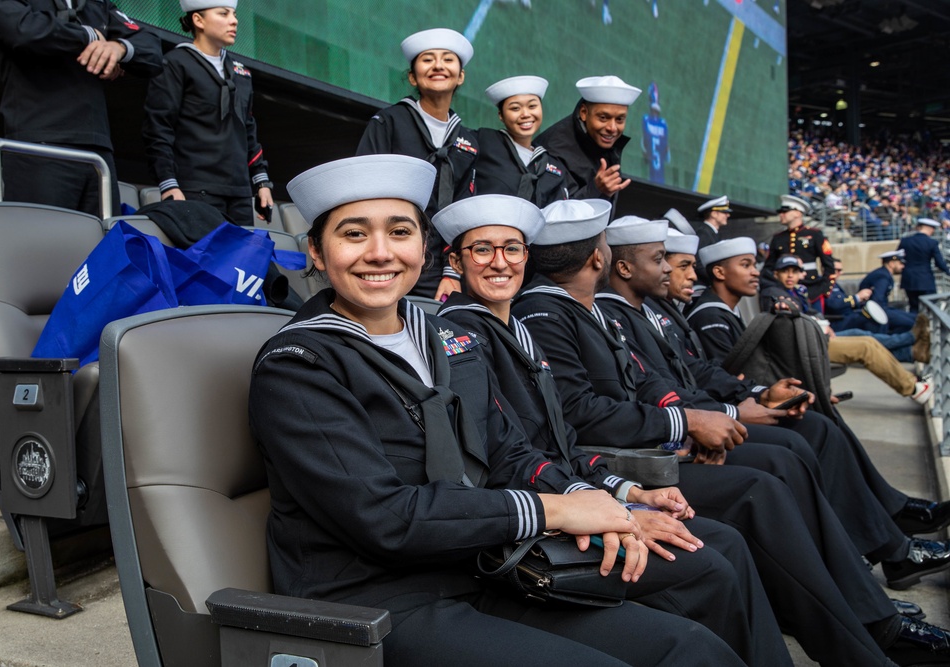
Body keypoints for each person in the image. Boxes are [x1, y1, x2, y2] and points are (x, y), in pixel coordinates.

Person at [249, 154, 745, 667]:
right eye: (354, 234)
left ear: (423, 248)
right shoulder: (299, 364)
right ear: (315, 250)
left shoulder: (442, 336)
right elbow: (384, 518)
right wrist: (554, 510)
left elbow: (505, 448)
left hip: (485, 563)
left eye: (399, 232)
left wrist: (596, 503)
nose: (380, 253)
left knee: (689, 646)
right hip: (379, 601)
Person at [510, 201, 950, 665]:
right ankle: (865, 624)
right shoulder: (546, 312)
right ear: (601, 258)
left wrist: (726, 409)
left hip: (645, 452)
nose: (670, 270)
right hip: (625, 463)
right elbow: (581, 412)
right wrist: (689, 426)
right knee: (765, 483)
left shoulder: (586, 310)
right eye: (662, 259)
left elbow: (650, 380)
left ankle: (863, 608)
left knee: (790, 452)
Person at [433, 194, 789, 665]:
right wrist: (606, 506)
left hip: (573, 494)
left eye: (512, 248)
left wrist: (629, 491)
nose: (500, 262)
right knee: (708, 563)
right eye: (482, 250)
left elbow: (561, 441)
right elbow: (507, 457)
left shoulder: (513, 325)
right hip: (536, 519)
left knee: (718, 545)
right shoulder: (459, 335)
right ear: (454, 261)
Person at [598, 219, 950, 592]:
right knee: (790, 451)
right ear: (621, 267)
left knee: (814, 426)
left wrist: (760, 394)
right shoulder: (660, 314)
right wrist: (725, 414)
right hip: (670, 443)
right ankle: (863, 562)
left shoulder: (649, 311)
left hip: (698, 419)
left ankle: (884, 532)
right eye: (671, 262)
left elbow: (692, 374)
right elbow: (657, 389)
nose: (678, 272)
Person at [0, 0, 162, 216]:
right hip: (39, 146)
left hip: (98, 152)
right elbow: (25, 31)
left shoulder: (96, 4)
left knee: (103, 245)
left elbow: (152, 49)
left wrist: (118, 48)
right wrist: (89, 36)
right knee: (43, 242)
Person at [689, 243, 933, 406]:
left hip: (812, 341)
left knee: (867, 340)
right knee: (867, 345)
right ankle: (913, 368)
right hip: (801, 348)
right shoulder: (771, 293)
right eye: (746, 265)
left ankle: (913, 356)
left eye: (795, 270)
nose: (754, 272)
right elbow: (727, 372)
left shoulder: (793, 291)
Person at [356, 28, 478, 301]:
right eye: (427, 59)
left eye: (448, 59)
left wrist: (452, 272)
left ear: (460, 75)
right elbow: (364, 191)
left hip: (445, 269)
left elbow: (463, 212)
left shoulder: (467, 141)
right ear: (412, 76)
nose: (438, 65)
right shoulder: (388, 122)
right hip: (391, 256)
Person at [141, 0, 273, 226]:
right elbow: (158, 127)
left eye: (234, 14)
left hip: (239, 192)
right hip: (195, 188)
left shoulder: (240, 72)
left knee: (239, 261)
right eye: (223, 14)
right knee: (200, 260)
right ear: (198, 20)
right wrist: (169, 183)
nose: (234, 20)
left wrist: (261, 182)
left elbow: (248, 130)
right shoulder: (176, 63)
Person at [535, 75, 640, 217]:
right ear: (584, 113)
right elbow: (552, 216)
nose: (612, 128)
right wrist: (596, 189)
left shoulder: (602, 142)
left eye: (620, 119)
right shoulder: (554, 149)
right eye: (603, 118)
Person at [474, 76, 568, 206]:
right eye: (515, 108)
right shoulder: (484, 141)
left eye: (532, 106)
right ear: (501, 115)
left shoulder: (554, 168)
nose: (525, 114)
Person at [825, 258, 923, 363]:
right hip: (837, 323)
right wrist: (856, 297)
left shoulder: (833, 284)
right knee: (866, 335)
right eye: (837, 270)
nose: (841, 273)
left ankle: (910, 352)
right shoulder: (825, 285)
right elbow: (833, 305)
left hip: (845, 318)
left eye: (841, 270)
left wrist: (859, 300)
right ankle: (910, 338)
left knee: (873, 328)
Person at [760, 194, 836, 312]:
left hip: (812, 290)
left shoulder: (815, 234)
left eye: (785, 211)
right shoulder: (778, 238)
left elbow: (829, 265)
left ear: (798, 213)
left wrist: (824, 290)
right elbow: (769, 267)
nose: (781, 215)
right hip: (785, 291)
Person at [899, 217, 950, 312]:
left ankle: (914, 325)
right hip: (925, 280)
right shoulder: (932, 243)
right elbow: (939, 263)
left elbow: (899, 258)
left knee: (913, 307)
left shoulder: (905, 241)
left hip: (909, 279)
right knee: (931, 307)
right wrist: (948, 271)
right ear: (930, 229)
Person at [859, 250, 917, 333]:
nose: (903, 266)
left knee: (915, 318)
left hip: (882, 308)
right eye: (900, 263)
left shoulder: (884, 274)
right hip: (875, 311)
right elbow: (878, 300)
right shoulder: (882, 276)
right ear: (891, 264)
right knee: (910, 324)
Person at [692, 195, 731, 288]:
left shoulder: (712, 233)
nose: (728, 215)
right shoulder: (704, 233)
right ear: (714, 214)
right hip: (702, 285)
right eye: (724, 212)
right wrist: (714, 278)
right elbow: (697, 261)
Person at [640, 83, 670, 185]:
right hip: (661, 174)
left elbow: (644, 146)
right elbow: (666, 150)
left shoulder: (646, 120)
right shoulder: (664, 124)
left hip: (652, 171)